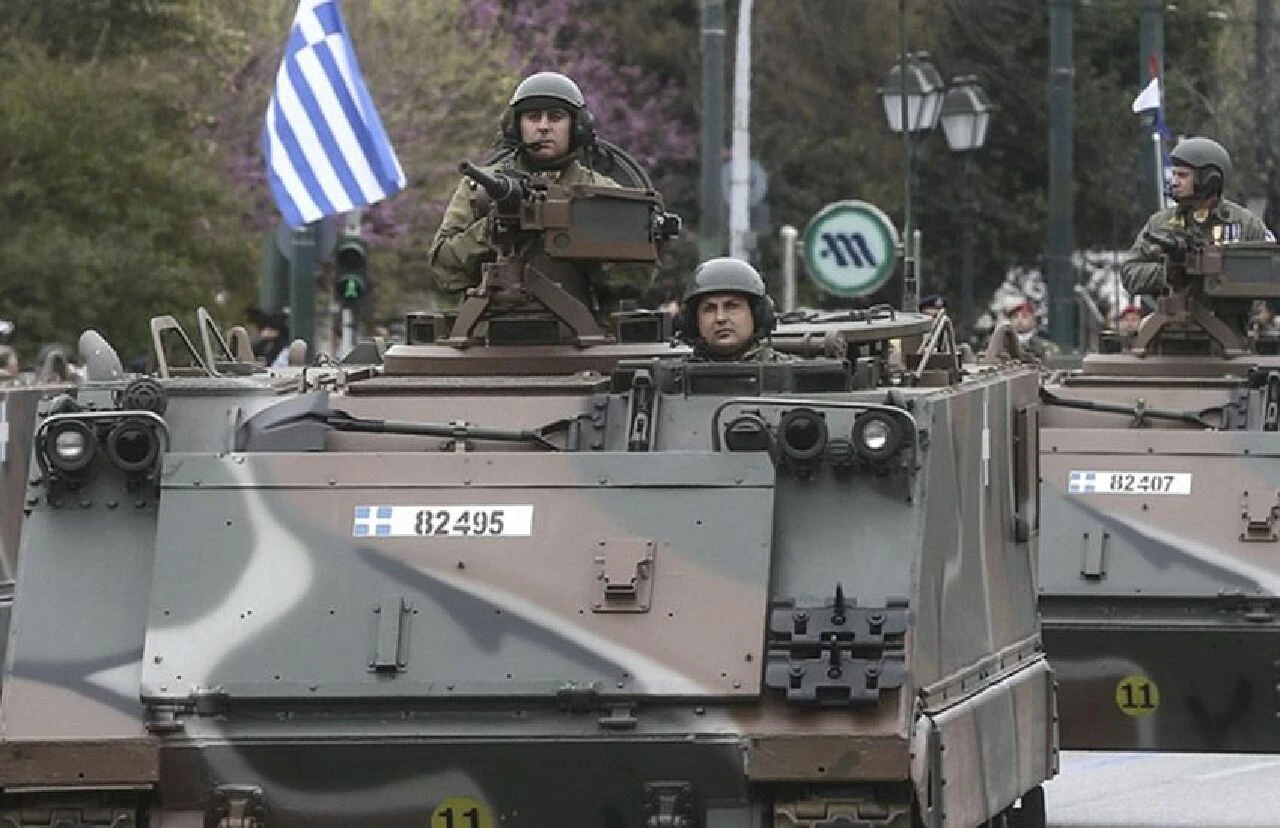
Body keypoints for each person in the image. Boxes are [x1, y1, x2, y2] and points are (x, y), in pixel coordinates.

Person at [428, 71, 651, 316]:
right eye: (533, 117)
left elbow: (633, 283)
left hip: (580, 340)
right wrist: (491, 229)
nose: (543, 127)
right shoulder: (481, 188)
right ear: (516, 126)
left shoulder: (604, 193)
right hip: (489, 339)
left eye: (556, 117)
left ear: (577, 127)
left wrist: (580, 234)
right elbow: (444, 270)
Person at [1121, 136, 1274, 296]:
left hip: (1231, 319)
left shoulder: (1245, 224)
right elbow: (1129, 272)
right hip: (1174, 317)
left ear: (1209, 178)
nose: (1174, 182)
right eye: (1174, 174)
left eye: (1182, 175)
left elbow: (1274, 268)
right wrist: (1169, 271)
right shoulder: (1160, 224)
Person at [679, 257, 787, 362]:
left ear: (757, 314)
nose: (720, 318)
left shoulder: (794, 374)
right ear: (693, 321)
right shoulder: (672, 376)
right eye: (710, 309)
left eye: (731, 306)